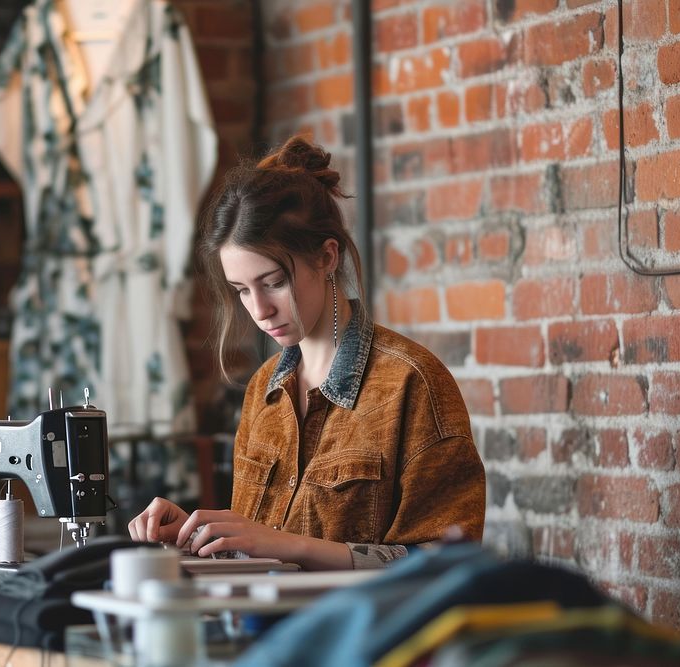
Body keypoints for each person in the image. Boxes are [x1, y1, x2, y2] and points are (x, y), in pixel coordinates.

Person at [127, 136, 485, 570]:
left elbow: (447, 565)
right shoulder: (264, 391)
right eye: (242, 290)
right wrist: (199, 537)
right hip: (260, 629)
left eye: (274, 282)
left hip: (360, 636)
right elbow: (256, 550)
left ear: (327, 257)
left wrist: (288, 545)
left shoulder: (412, 384)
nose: (259, 310)